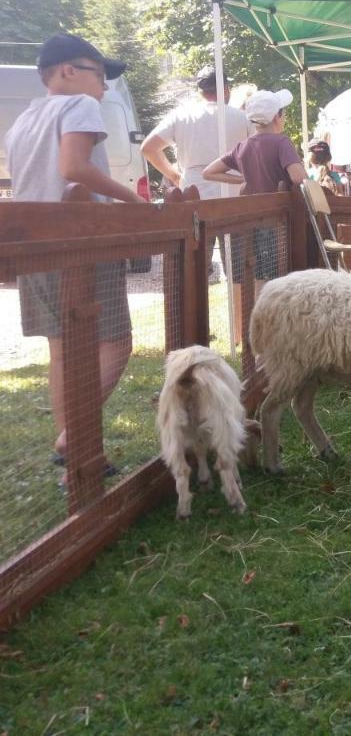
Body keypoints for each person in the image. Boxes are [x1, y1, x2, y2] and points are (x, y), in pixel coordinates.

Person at [2, 33, 147, 487]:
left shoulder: (23, 119)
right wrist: (133, 201)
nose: (103, 88)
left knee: (61, 349)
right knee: (117, 343)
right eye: (99, 75)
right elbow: (73, 170)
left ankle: (80, 450)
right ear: (66, 71)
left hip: (36, 245)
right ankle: (74, 437)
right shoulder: (80, 106)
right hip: (80, 242)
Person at [204, 89, 306, 295]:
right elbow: (298, 177)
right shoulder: (281, 142)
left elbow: (209, 172)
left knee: (260, 275)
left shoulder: (242, 146)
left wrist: (243, 178)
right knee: (283, 275)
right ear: (277, 116)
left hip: (253, 223)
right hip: (280, 222)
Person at [141, 66, 254, 198]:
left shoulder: (180, 116)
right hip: (234, 191)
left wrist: (174, 176)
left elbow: (148, 148)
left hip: (194, 191)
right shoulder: (244, 118)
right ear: (225, 89)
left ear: (200, 92)